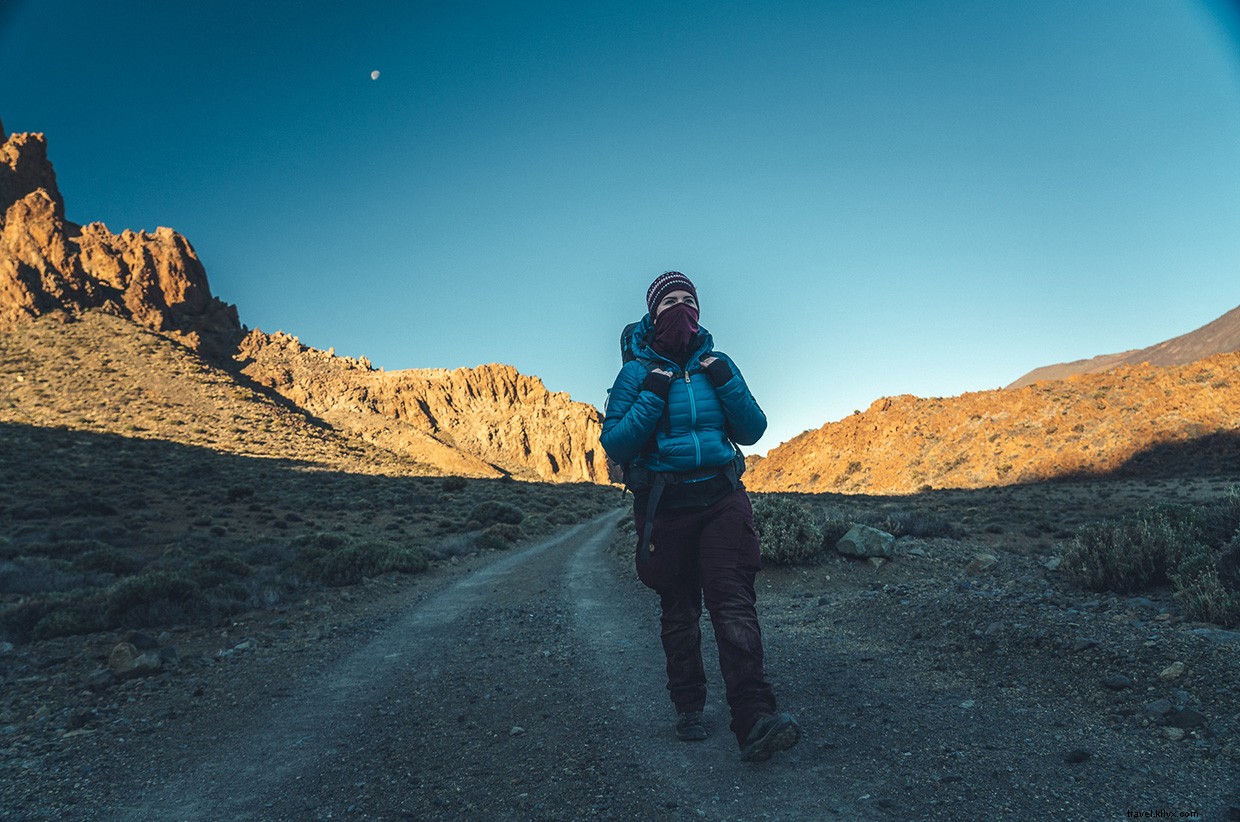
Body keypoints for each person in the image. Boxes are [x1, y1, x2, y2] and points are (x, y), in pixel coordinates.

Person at [600, 270, 800, 762]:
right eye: (669, 301)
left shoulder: (719, 364)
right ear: (653, 314)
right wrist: (653, 393)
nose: (681, 308)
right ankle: (688, 704)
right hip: (664, 505)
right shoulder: (635, 374)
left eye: (688, 300)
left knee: (734, 606)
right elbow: (616, 442)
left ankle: (755, 718)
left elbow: (752, 429)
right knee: (680, 609)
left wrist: (725, 381)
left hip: (721, 499)